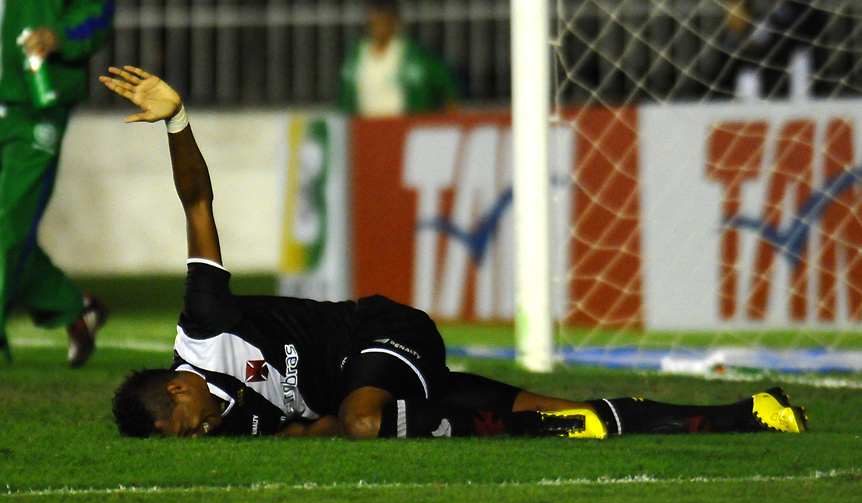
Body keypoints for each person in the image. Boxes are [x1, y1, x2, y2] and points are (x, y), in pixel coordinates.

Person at [101, 66, 808, 440]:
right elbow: (307, 424)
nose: (199, 436)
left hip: (382, 333)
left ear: (179, 389)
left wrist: (178, 122)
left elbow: (198, 204)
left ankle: (507, 425)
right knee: (572, 417)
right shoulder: (230, 423)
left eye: (185, 427)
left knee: (364, 424)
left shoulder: (206, 326)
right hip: (373, 388)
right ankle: (749, 413)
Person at [0, 1, 114, 365]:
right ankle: (73, 306)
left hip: (34, 103)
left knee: (9, 221)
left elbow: (99, 12)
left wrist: (60, 37)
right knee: (9, 229)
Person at [338, 0, 460, 117]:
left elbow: (448, 90)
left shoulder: (415, 56)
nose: (377, 28)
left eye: (382, 22)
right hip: (365, 126)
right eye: (373, 23)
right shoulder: (357, 56)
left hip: (402, 125)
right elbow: (345, 98)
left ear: (394, 23)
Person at [718, 0, 826, 100]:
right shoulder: (727, 41)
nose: (733, 17)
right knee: (747, 77)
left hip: (788, 73)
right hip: (755, 80)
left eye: (736, 11)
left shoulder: (802, 12)